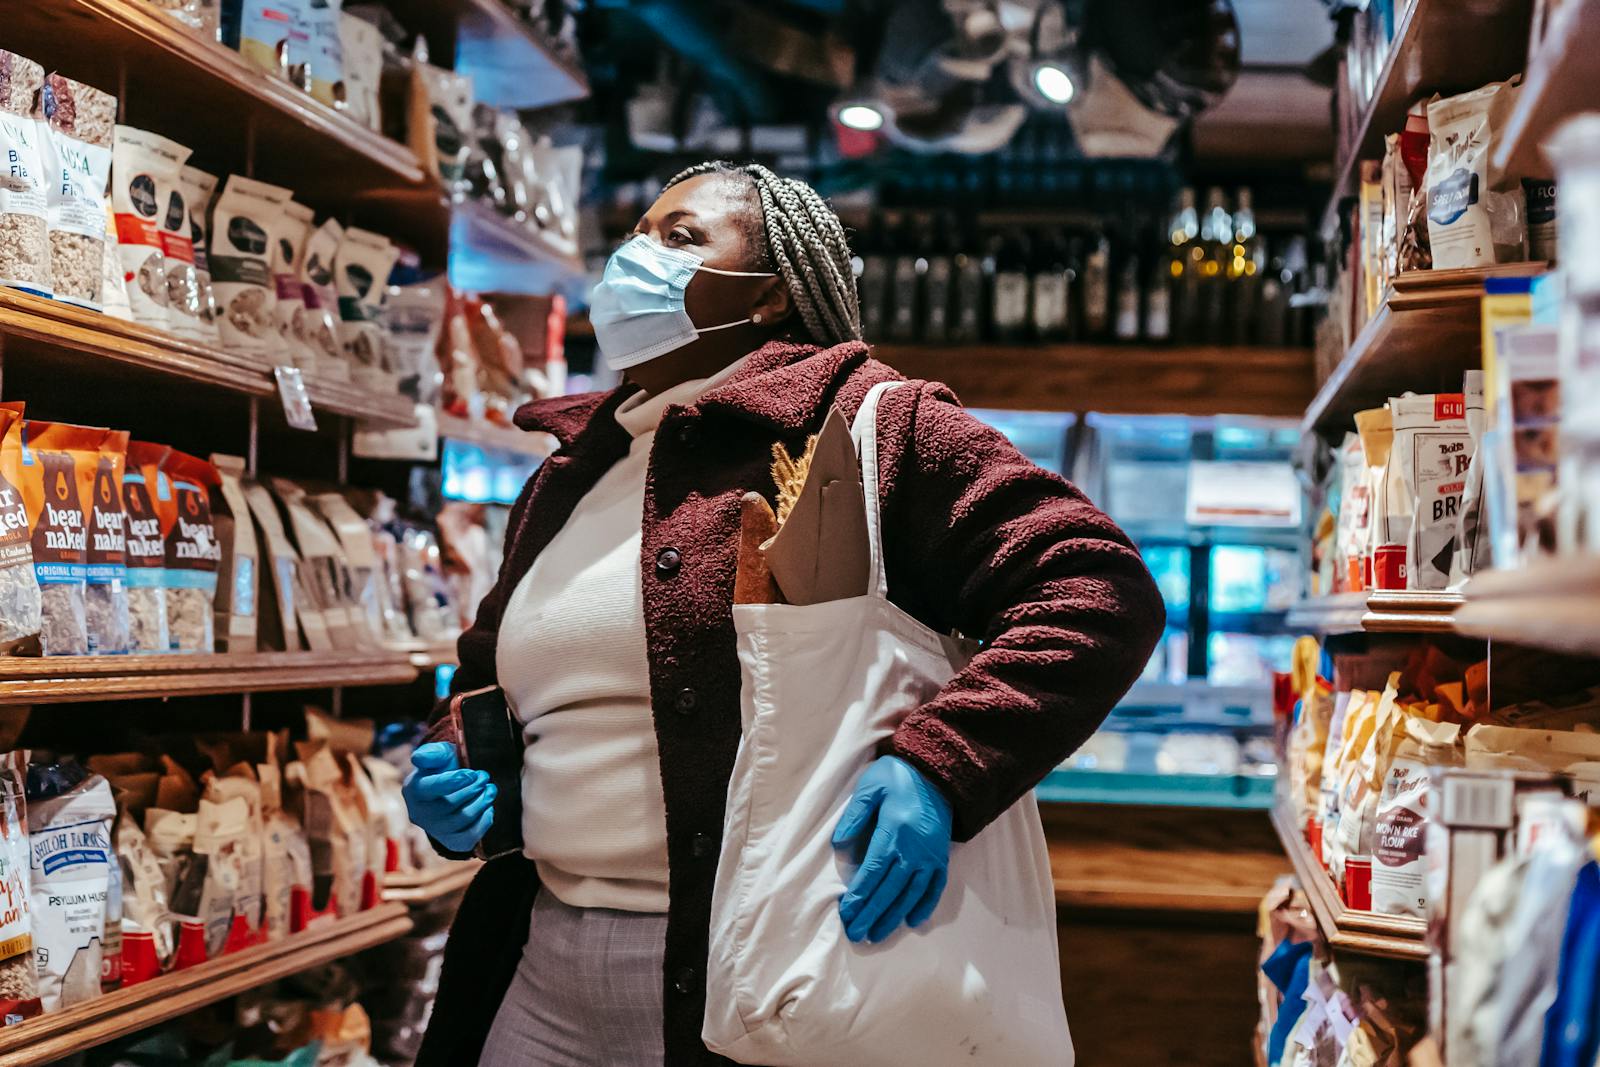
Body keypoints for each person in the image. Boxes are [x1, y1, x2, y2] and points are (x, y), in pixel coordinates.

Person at [403, 161, 1165, 1067]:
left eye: (680, 237)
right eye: (636, 234)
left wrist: (942, 764)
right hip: (540, 955)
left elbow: (1095, 586)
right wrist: (460, 753)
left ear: (768, 296)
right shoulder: (572, 466)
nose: (635, 257)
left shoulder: (872, 424)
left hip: (763, 970)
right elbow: (493, 660)